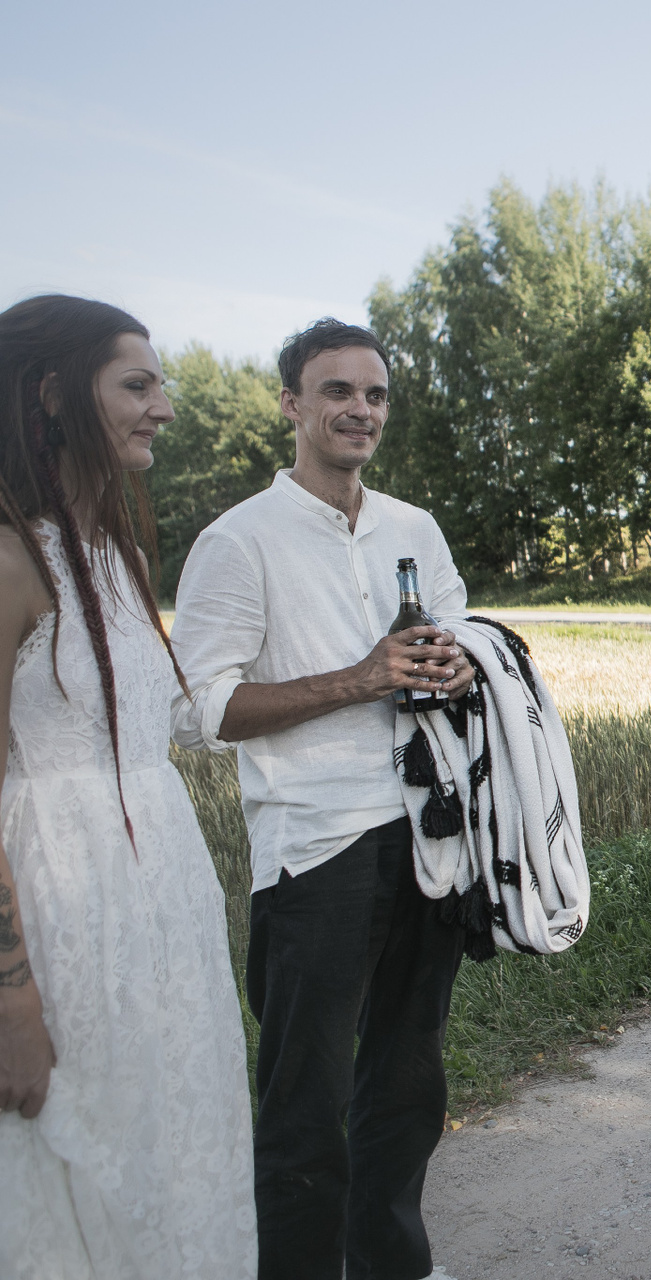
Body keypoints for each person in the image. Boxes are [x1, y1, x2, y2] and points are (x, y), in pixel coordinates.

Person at [169, 318, 476, 1280]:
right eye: (337, 391)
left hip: (427, 836)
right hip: (315, 850)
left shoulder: (414, 529)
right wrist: (360, 678)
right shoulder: (238, 541)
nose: (360, 410)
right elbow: (197, 710)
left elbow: (461, 635)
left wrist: (461, 665)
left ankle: (392, 1266)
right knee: (306, 1108)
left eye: (375, 394)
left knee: (408, 1088)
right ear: (292, 404)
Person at [0, 295, 256, 1275]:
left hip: (163, 911)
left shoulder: (122, 555)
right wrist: (12, 1001)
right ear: (53, 394)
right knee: (75, 1181)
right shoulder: (9, 563)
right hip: (62, 918)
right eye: (137, 384)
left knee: (175, 1152)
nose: (166, 407)